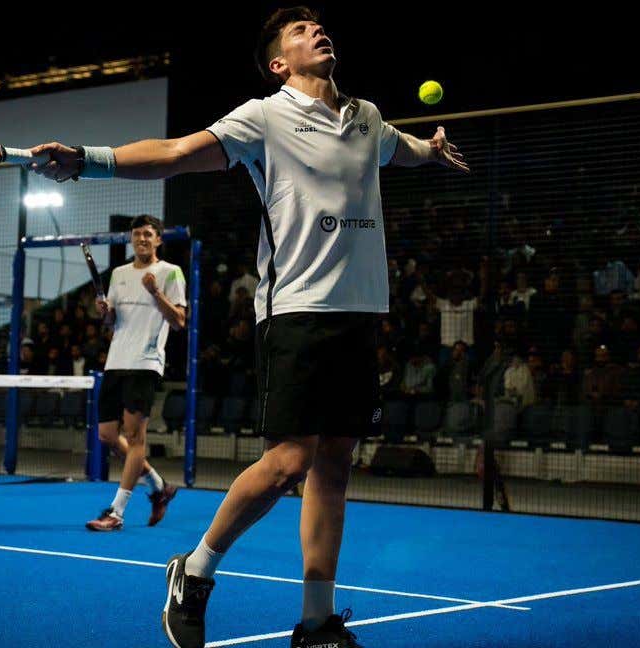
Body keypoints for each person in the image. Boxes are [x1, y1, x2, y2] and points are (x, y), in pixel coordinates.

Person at [28, 7, 467, 646]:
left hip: (360, 315)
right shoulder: (265, 116)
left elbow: (407, 150)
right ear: (279, 63)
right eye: (300, 31)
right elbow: (176, 153)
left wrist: (432, 149)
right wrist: (89, 161)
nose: (319, 31)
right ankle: (195, 571)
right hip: (296, 311)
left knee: (334, 467)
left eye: (320, 25)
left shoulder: (367, 118)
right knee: (289, 460)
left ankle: (316, 622)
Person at [83, 215, 186, 533]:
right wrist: (106, 313)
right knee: (107, 436)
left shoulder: (171, 273)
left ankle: (116, 512)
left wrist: (156, 293)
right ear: (131, 239)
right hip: (116, 361)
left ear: (158, 241)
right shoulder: (119, 274)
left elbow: (179, 320)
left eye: (148, 234)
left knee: (134, 437)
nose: (142, 238)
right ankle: (158, 487)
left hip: (146, 362)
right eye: (137, 234)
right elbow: (112, 322)